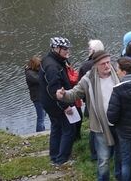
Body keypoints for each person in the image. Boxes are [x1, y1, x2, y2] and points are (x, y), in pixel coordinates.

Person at [57, 51, 121, 181]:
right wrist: (63, 95)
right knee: (103, 159)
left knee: (121, 156)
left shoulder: (118, 74)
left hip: (120, 123)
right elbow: (74, 94)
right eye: (103, 64)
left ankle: (120, 177)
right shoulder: (88, 79)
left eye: (108, 62)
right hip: (100, 125)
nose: (107, 66)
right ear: (95, 65)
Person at [39, 37, 76, 166]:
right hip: (56, 104)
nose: (68, 51)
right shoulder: (52, 67)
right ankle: (62, 159)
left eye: (68, 48)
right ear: (56, 49)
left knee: (56, 128)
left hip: (48, 103)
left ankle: (54, 156)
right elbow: (54, 90)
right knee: (68, 129)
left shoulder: (52, 60)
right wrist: (65, 106)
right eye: (65, 49)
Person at [25, 55, 45, 132]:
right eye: (38, 66)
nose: (39, 67)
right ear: (34, 65)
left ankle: (42, 130)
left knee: (43, 115)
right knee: (41, 117)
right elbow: (39, 80)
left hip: (41, 96)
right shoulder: (29, 74)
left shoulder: (35, 71)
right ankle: (40, 133)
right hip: (37, 98)